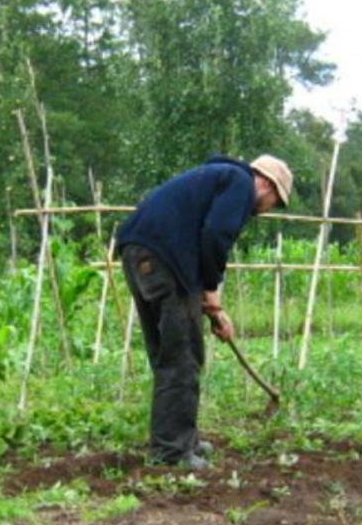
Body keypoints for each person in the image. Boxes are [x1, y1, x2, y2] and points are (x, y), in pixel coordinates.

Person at [117, 154, 293, 468]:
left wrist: (212, 307)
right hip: (166, 259)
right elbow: (215, 236)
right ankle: (172, 452)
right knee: (183, 355)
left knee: (168, 352)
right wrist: (212, 293)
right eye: (274, 202)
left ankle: (179, 440)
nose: (267, 210)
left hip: (138, 252)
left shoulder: (215, 177)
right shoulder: (239, 183)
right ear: (266, 183)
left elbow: (197, 237)